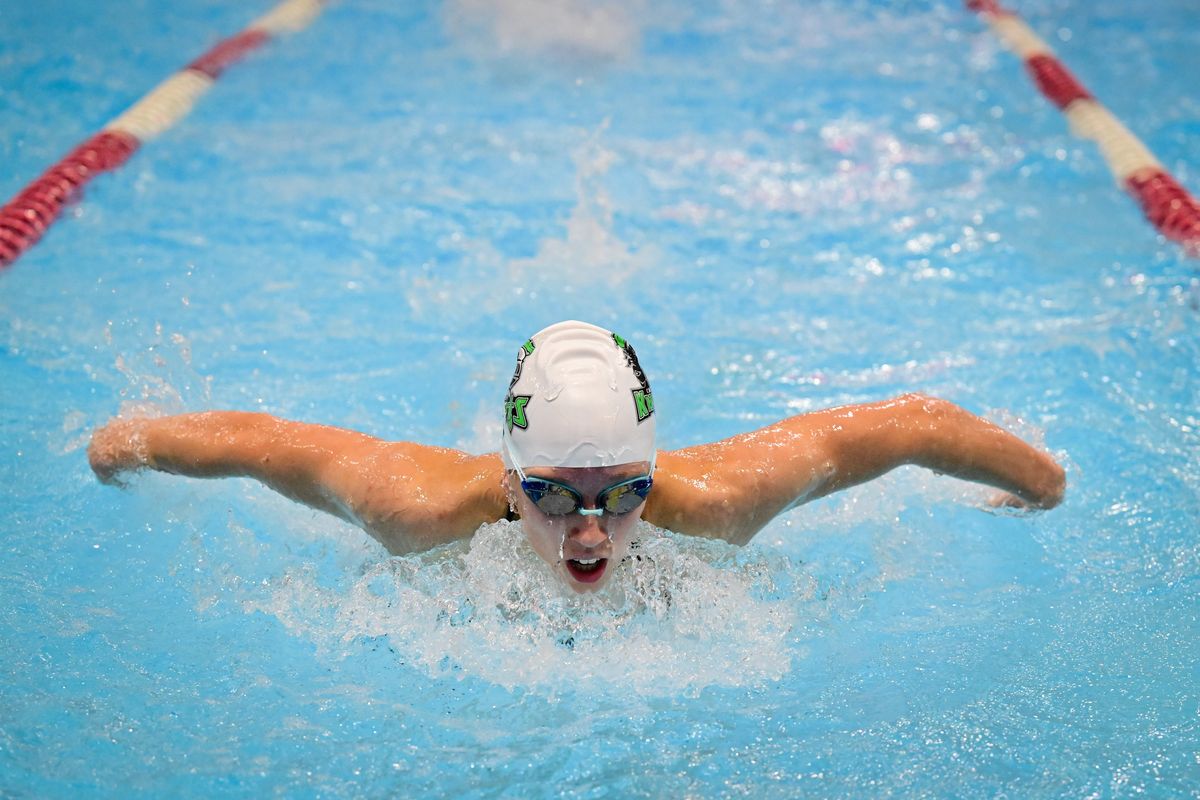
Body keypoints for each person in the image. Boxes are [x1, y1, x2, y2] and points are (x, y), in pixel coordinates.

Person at [88, 320, 1066, 593]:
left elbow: (912, 425)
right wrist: (118, 445)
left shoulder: (719, 498)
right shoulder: (414, 506)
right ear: (508, 475)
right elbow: (260, 444)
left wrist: (1042, 485)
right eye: (555, 496)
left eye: (624, 492)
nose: (592, 530)